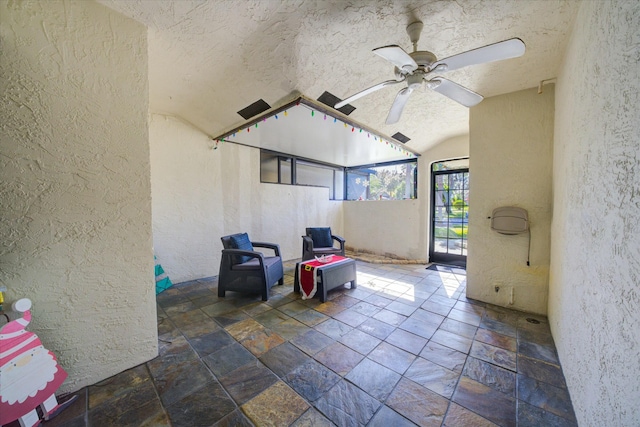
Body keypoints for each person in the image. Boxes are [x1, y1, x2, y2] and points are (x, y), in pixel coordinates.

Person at [0, 298, 77, 427]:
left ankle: (51, 408)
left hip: (36, 371)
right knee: (21, 398)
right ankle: (31, 422)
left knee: (43, 384)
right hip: (15, 383)